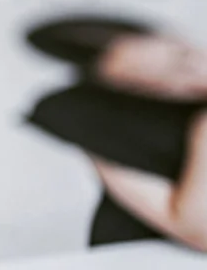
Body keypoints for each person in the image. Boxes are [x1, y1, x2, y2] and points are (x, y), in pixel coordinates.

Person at [25, 15, 207, 250]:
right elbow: (201, 231)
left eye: (182, 58)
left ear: (178, 38)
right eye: (162, 88)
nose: (198, 75)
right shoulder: (119, 135)